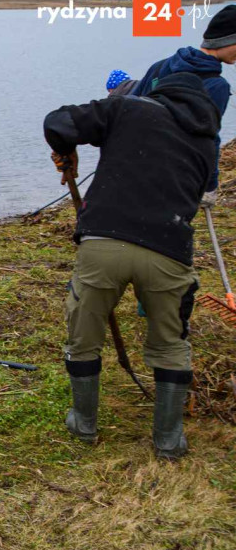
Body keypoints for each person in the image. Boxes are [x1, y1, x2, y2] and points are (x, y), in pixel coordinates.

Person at [43, 72, 221, 459]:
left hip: (105, 241)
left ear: (158, 91)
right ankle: (169, 441)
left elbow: (57, 122)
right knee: (171, 344)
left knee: (84, 333)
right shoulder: (207, 143)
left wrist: (67, 151)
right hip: (169, 249)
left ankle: (84, 424)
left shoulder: (128, 108)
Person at [131, 3, 235, 205]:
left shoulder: (161, 65)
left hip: (135, 164)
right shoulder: (216, 85)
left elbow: (127, 108)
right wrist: (209, 185)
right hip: (173, 173)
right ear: (229, 41)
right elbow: (207, 140)